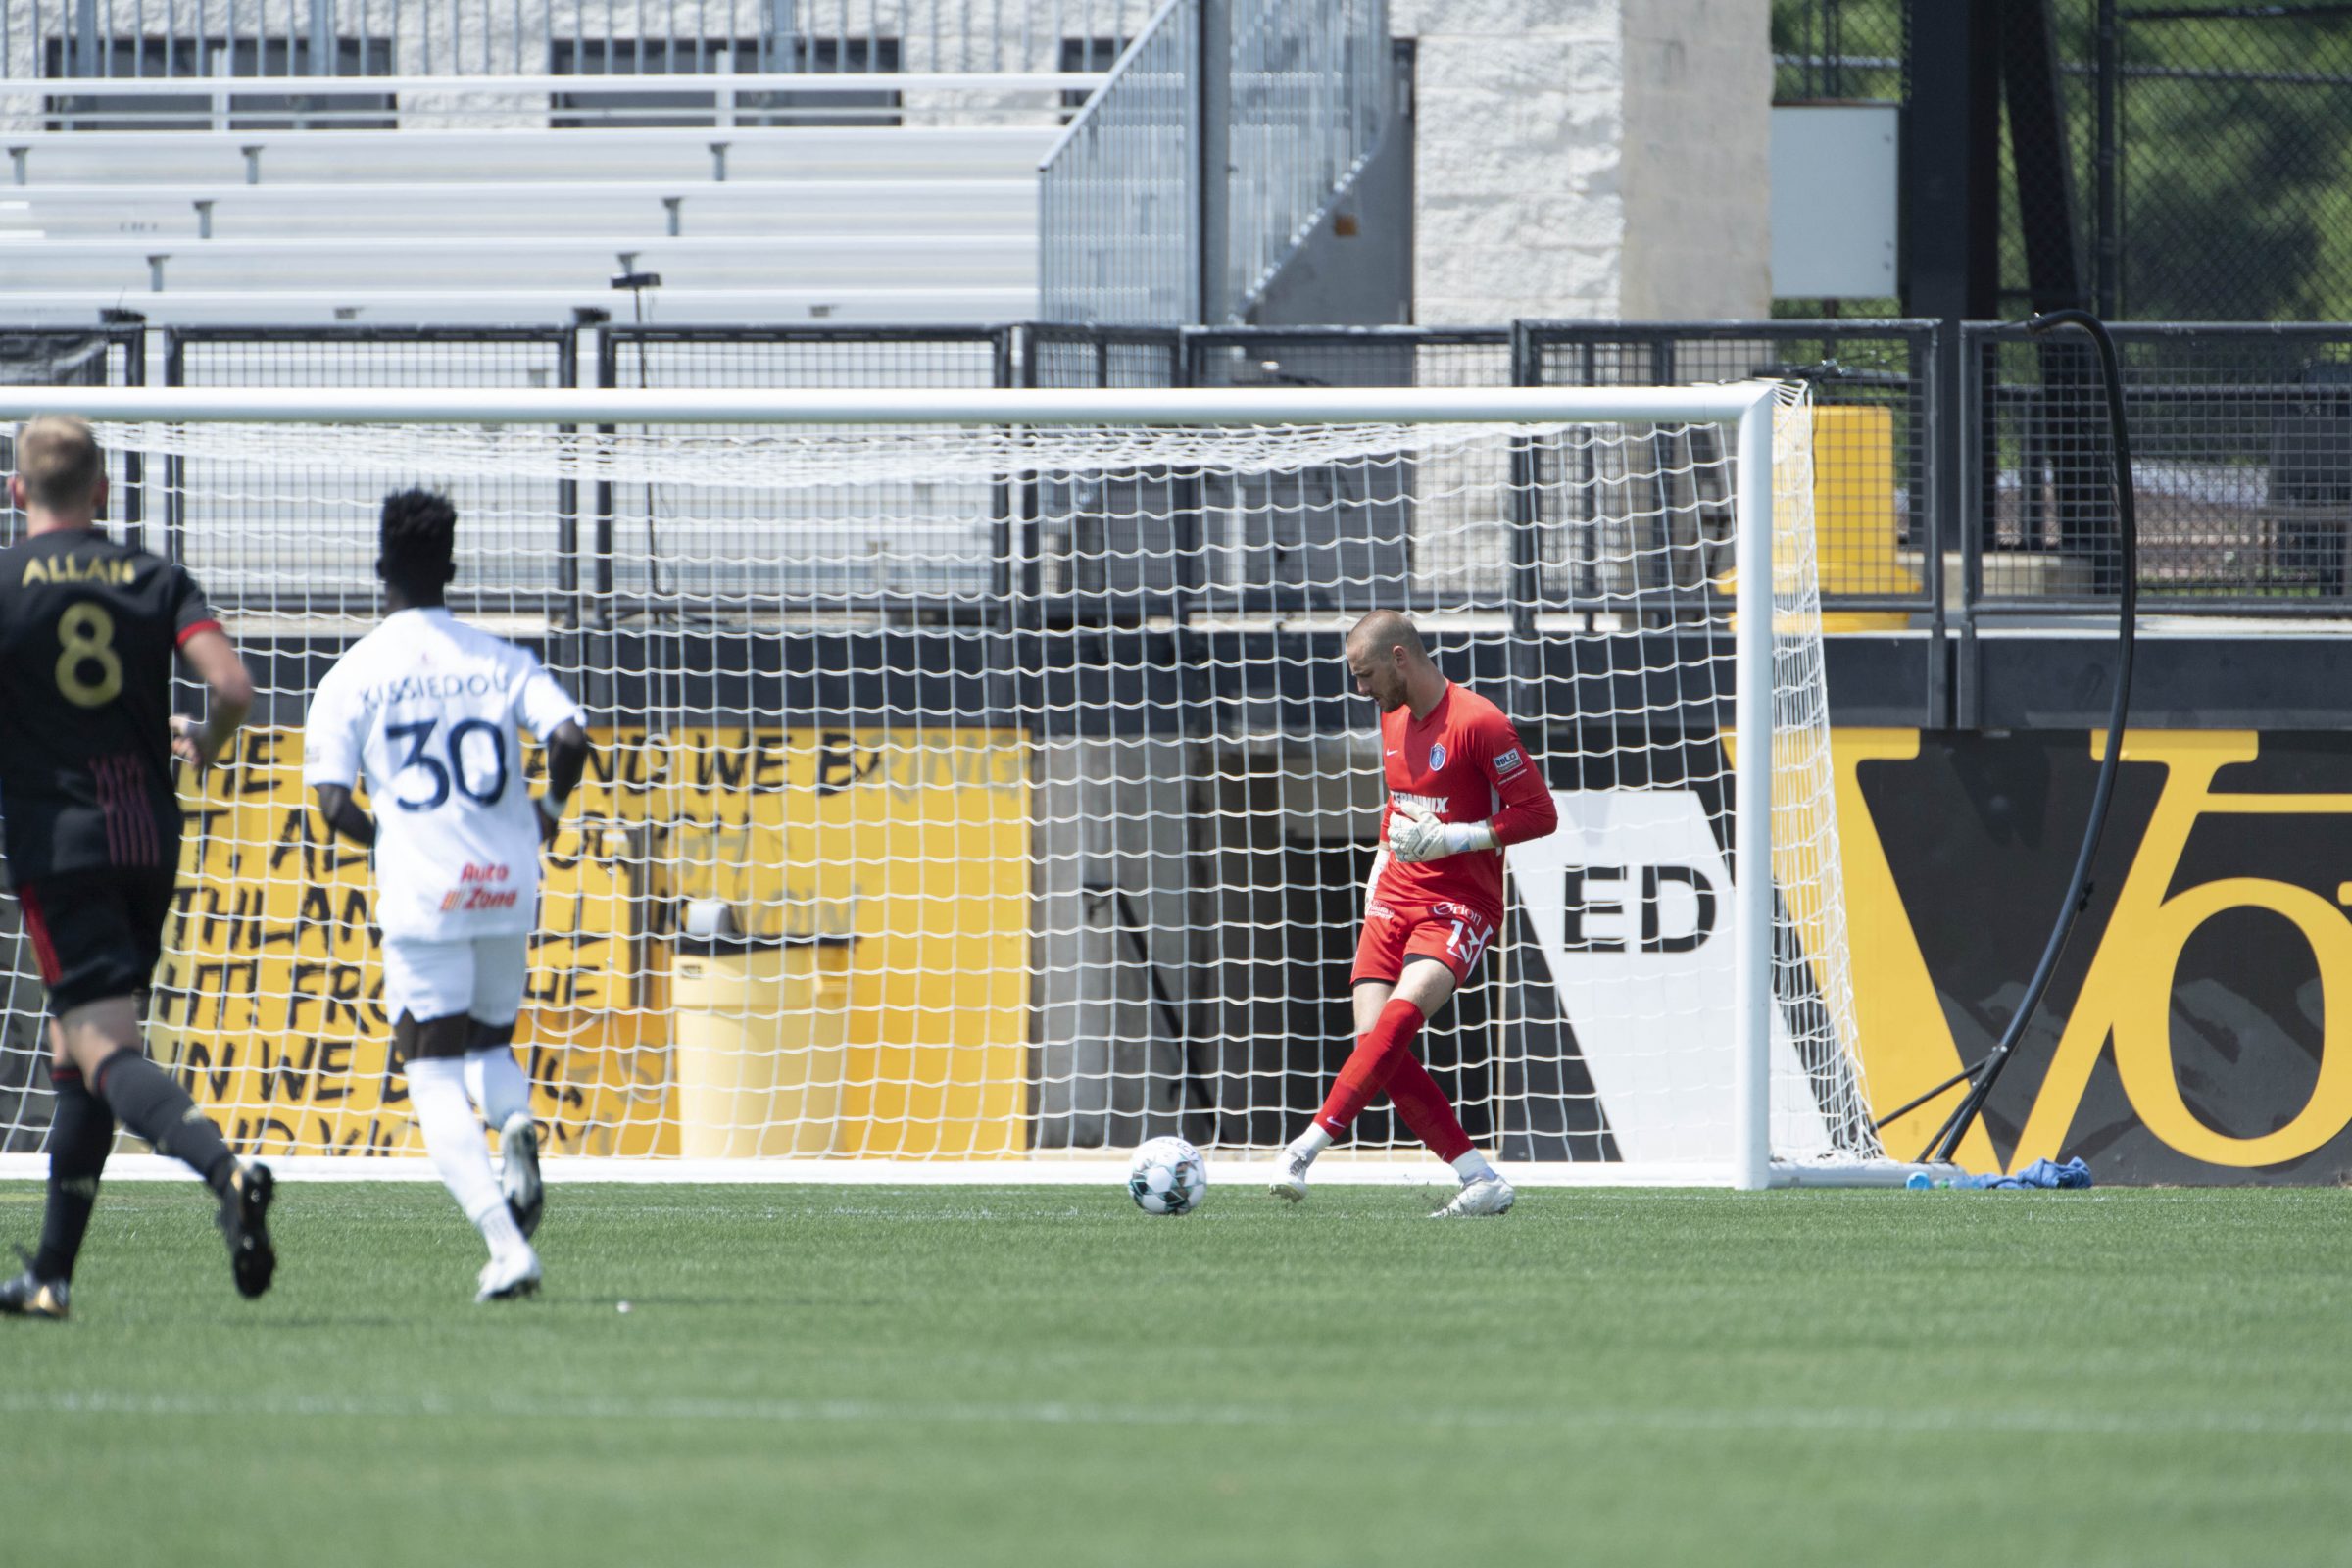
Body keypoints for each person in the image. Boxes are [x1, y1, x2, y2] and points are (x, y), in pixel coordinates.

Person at [0, 415, 274, 1319]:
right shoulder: (154, 576)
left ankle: (225, 1173)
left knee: (100, 1044)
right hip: (149, 836)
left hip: (61, 844)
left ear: (16, 493)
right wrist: (205, 736)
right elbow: (232, 688)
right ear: (104, 493)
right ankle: (51, 1275)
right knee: (73, 1054)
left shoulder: (6, 584)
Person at [304, 488, 592, 1302]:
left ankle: (507, 1248)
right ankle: (516, 1124)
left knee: (429, 1075)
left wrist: (392, 840)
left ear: (380, 571)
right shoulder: (500, 659)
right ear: (453, 568)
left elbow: (330, 804)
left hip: (424, 895)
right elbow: (570, 737)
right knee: (489, 1046)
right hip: (508, 883)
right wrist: (546, 813)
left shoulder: (353, 675)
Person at [1269, 610, 1558, 1218]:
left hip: (1458, 902)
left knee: (1398, 1022)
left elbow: (1539, 814)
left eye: (1366, 674)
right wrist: (1379, 865)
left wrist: (1459, 838)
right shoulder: (1391, 715)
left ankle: (1306, 1146)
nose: (1362, 688)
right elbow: (1399, 804)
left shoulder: (1480, 722)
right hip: (1394, 894)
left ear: (1400, 657)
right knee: (1375, 1044)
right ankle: (1479, 1179)